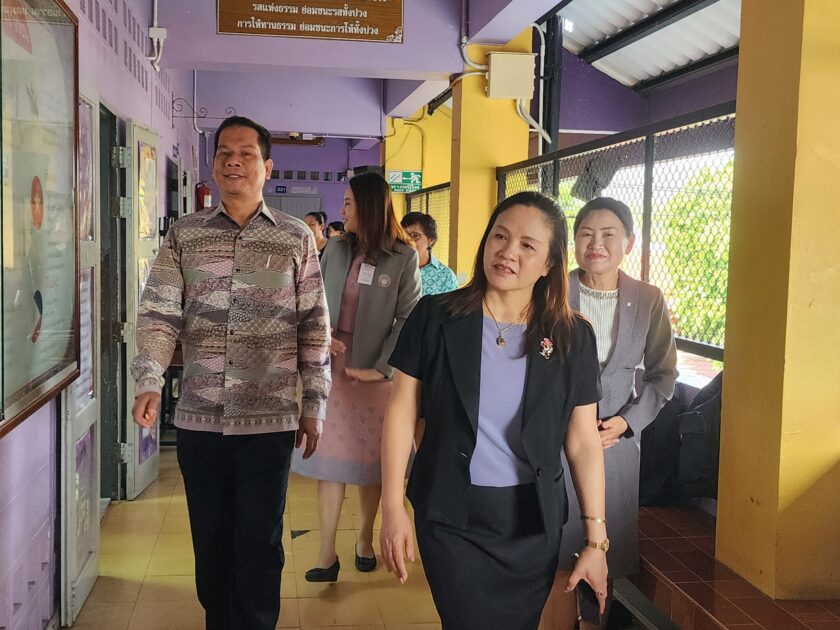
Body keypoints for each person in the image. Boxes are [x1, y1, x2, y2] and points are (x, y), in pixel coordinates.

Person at [131, 115, 331, 630]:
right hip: (200, 419)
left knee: (260, 539)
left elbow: (314, 325)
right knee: (212, 538)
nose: (233, 161)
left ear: (267, 167)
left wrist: (314, 403)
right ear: (214, 164)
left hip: (269, 419)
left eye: (246, 153)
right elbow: (159, 313)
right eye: (224, 152)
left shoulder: (294, 238)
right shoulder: (186, 234)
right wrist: (150, 379)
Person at [380, 191, 609, 630]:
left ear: (549, 263)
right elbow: (401, 410)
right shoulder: (436, 316)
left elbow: (582, 442)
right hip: (451, 515)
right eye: (499, 237)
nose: (508, 252)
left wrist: (596, 541)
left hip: (531, 524)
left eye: (527, 245)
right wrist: (392, 506)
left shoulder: (572, 336)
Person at [541, 197, 678, 629]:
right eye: (586, 234)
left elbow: (663, 375)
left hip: (614, 446)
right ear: (573, 243)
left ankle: (594, 623)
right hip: (555, 440)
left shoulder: (648, 298)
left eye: (608, 235)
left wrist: (628, 422)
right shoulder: (551, 290)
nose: (595, 244)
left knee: (606, 551)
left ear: (629, 243)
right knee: (557, 550)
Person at [292, 172, 421, 582]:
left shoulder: (403, 256)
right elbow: (312, 299)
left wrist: (381, 367)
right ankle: (326, 554)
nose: (342, 209)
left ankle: (364, 540)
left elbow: (409, 319)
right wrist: (319, 337)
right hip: (331, 371)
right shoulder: (336, 248)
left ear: (368, 206)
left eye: (348, 202)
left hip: (375, 377)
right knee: (330, 463)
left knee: (369, 464)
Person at [400, 211, 459, 296]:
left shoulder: (445, 276)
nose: (408, 241)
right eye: (403, 236)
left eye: (415, 236)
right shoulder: (393, 268)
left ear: (431, 240)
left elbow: (451, 304)